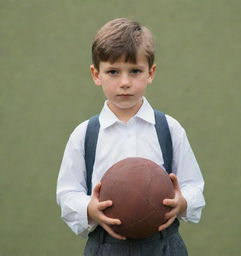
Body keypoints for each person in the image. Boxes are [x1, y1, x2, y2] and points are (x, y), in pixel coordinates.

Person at [56, 18, 205, 256]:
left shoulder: (169, 128)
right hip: (106, 247)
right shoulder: (84, 134)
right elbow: (67, 192)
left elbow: (193, 185)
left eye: (135, 71)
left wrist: (182, 201)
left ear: (150, 73)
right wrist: (89, 209)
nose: (125, 83)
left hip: (163, 244)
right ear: (96, 74)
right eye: (113, 72)